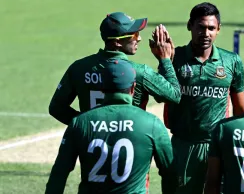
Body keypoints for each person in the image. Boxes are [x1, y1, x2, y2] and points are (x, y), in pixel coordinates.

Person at [153, 2, 244, 194]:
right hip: (183, 146)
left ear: (219, 29)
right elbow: (160, 96)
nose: (206, 33)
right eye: (201, 27)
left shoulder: (232, 61)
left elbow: (240, 110)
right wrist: (165, 62)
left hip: (218, 147)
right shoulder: (175, 58)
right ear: (190, 26)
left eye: (211, 28)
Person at [45, 60, 175, 194]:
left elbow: (59, 173)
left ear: (101, 88)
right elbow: (170, 172)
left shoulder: (80, 123)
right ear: (133, 88)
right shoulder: (151, 123)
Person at [49, 12, 180, 125]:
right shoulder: (139, 72)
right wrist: (165, 60)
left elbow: (56, 108)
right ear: (117, 42)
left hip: (92, 147)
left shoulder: (78, 68)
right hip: (130, 146)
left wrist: (86, 125)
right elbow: (174, 95)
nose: (139, 38)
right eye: (133, 35)